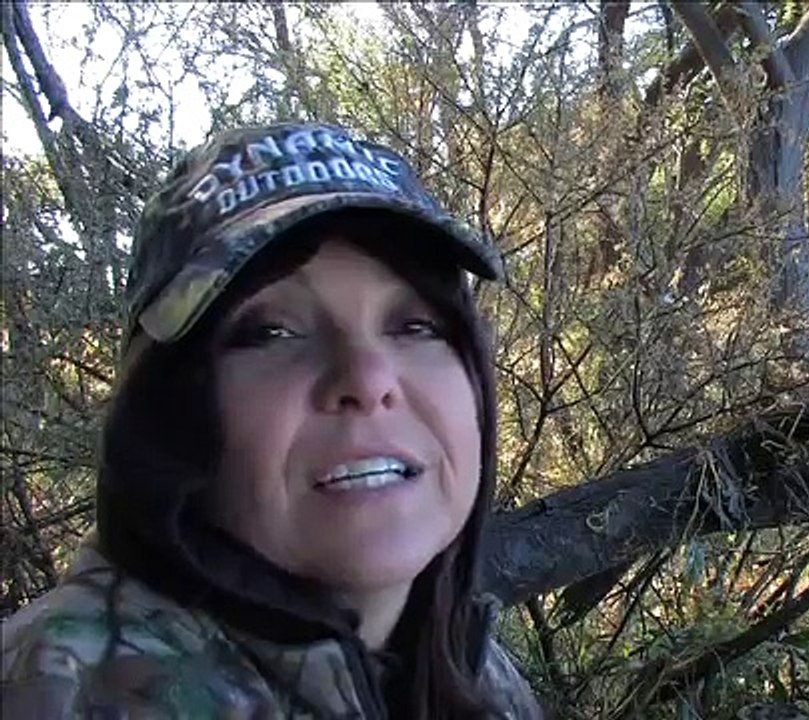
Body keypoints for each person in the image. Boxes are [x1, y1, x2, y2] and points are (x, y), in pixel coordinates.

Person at [1, 122, 543, 719]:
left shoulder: (475, 672)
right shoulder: (57, 691)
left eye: (415, 326)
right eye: (271, 333)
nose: (366, 380)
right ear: (167, 416)